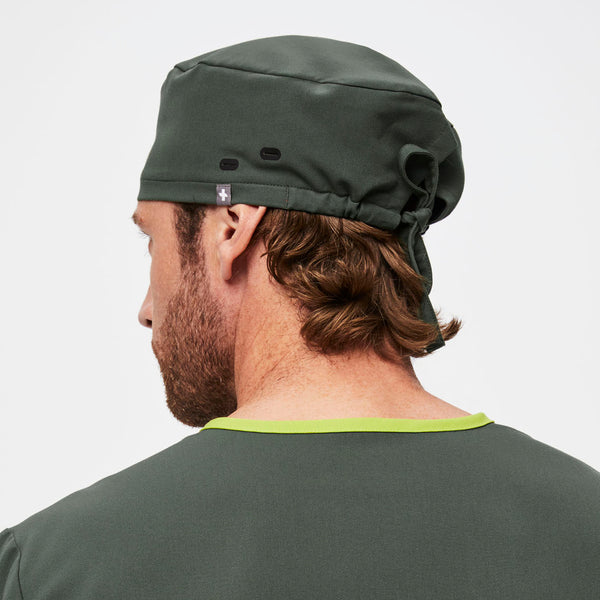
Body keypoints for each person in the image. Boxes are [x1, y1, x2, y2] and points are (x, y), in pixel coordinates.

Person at [1, 35, 599, 599]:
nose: (146, 310)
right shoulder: (583, 530)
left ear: (231, 229)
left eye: (152, 241)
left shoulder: (53, 567)